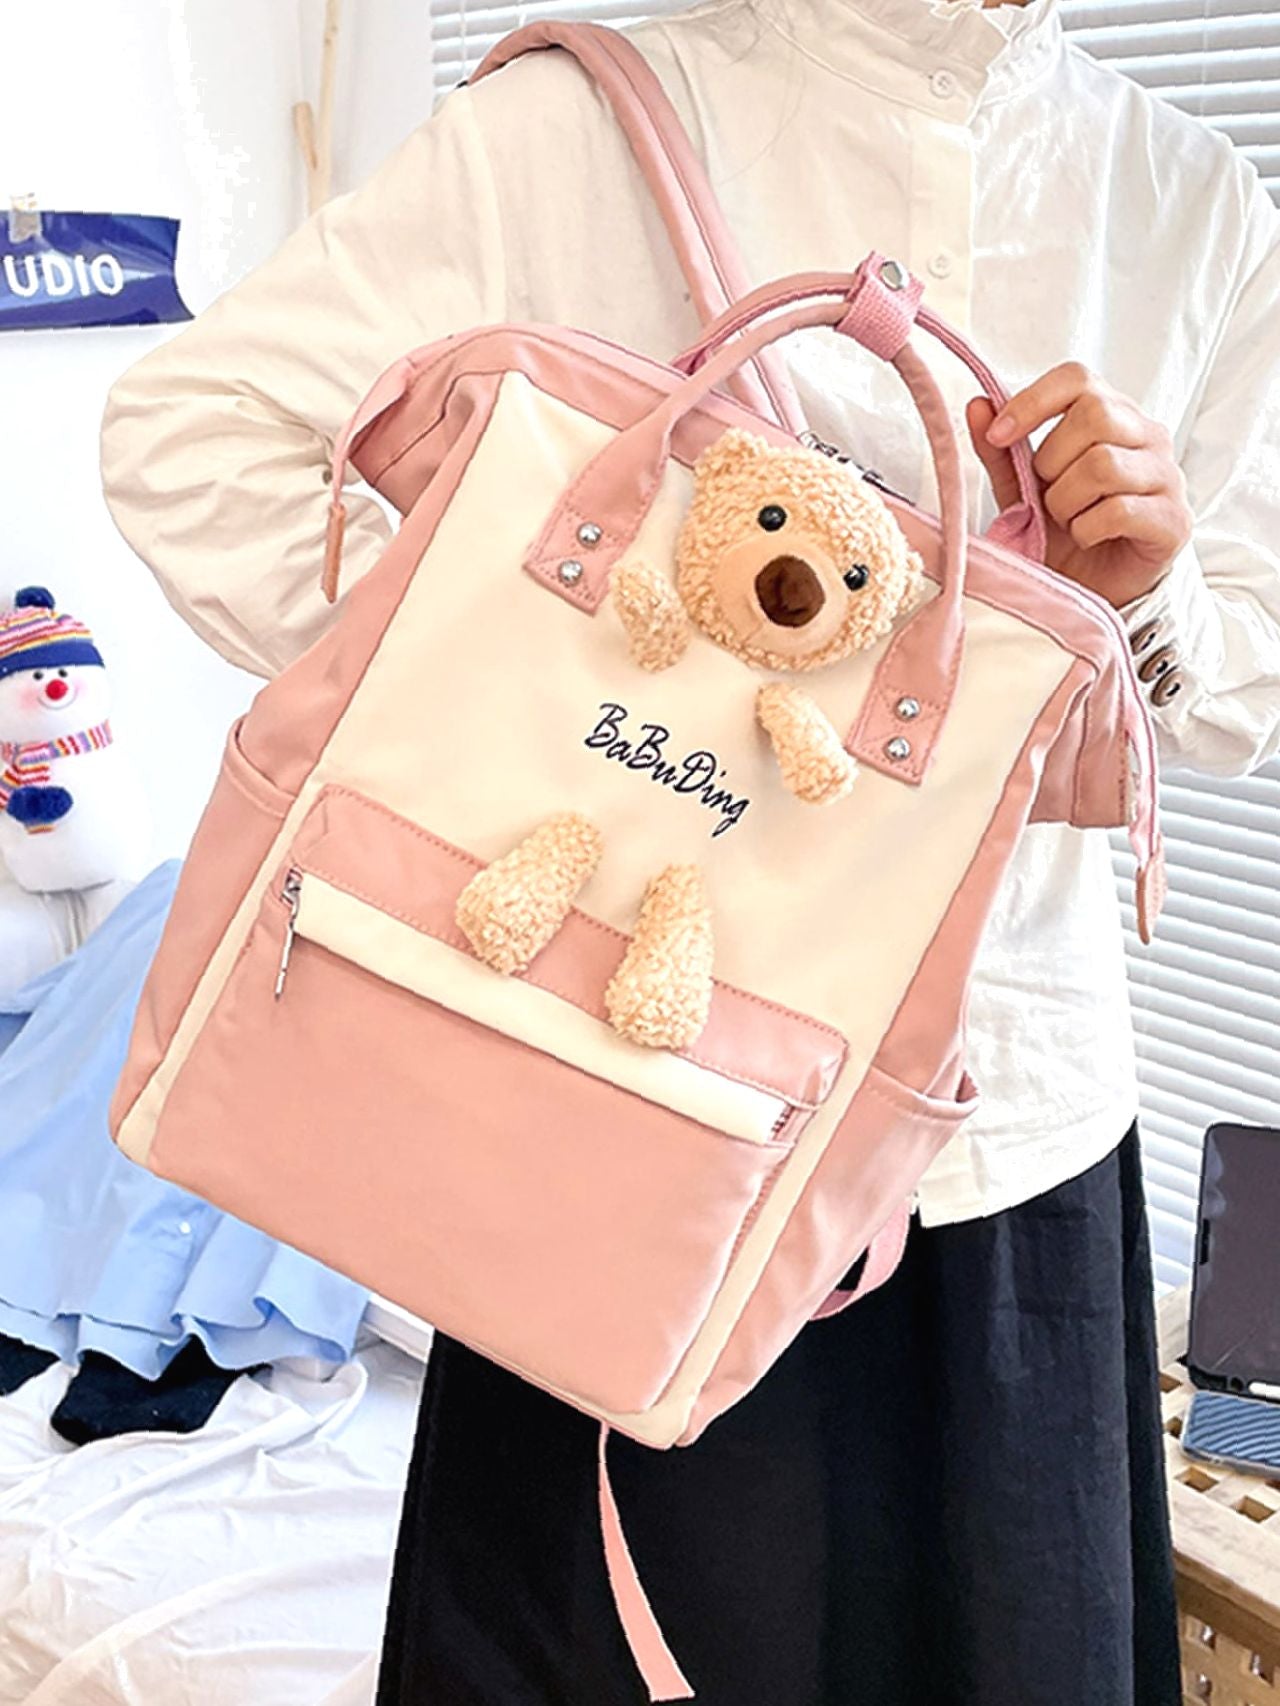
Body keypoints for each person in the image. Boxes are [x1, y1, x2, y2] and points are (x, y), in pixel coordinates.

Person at [98, 0, 1280, 1699]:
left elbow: (1239, 694)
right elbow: (192, 437)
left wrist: (1147, 595)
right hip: (612, 1107)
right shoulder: (580, 127)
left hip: (1009, 1133)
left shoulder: (1196, 202)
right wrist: (525, 699)